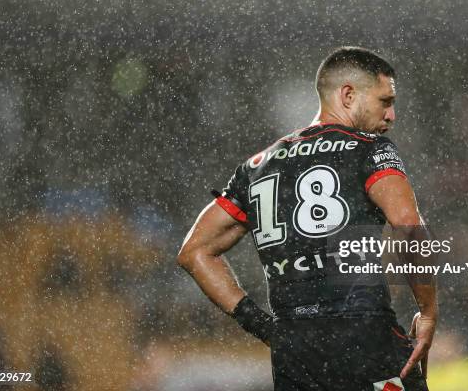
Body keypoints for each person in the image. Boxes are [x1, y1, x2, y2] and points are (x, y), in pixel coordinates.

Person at [177, 46, 437, 391]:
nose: (390, 115)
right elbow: (408, 226)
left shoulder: (257, 166)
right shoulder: (369, 147)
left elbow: (194, 252)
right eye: (384, 101)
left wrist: (263, 327)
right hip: (363, 333)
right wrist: (429, 311)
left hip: (295, 349)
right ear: (348, 95)